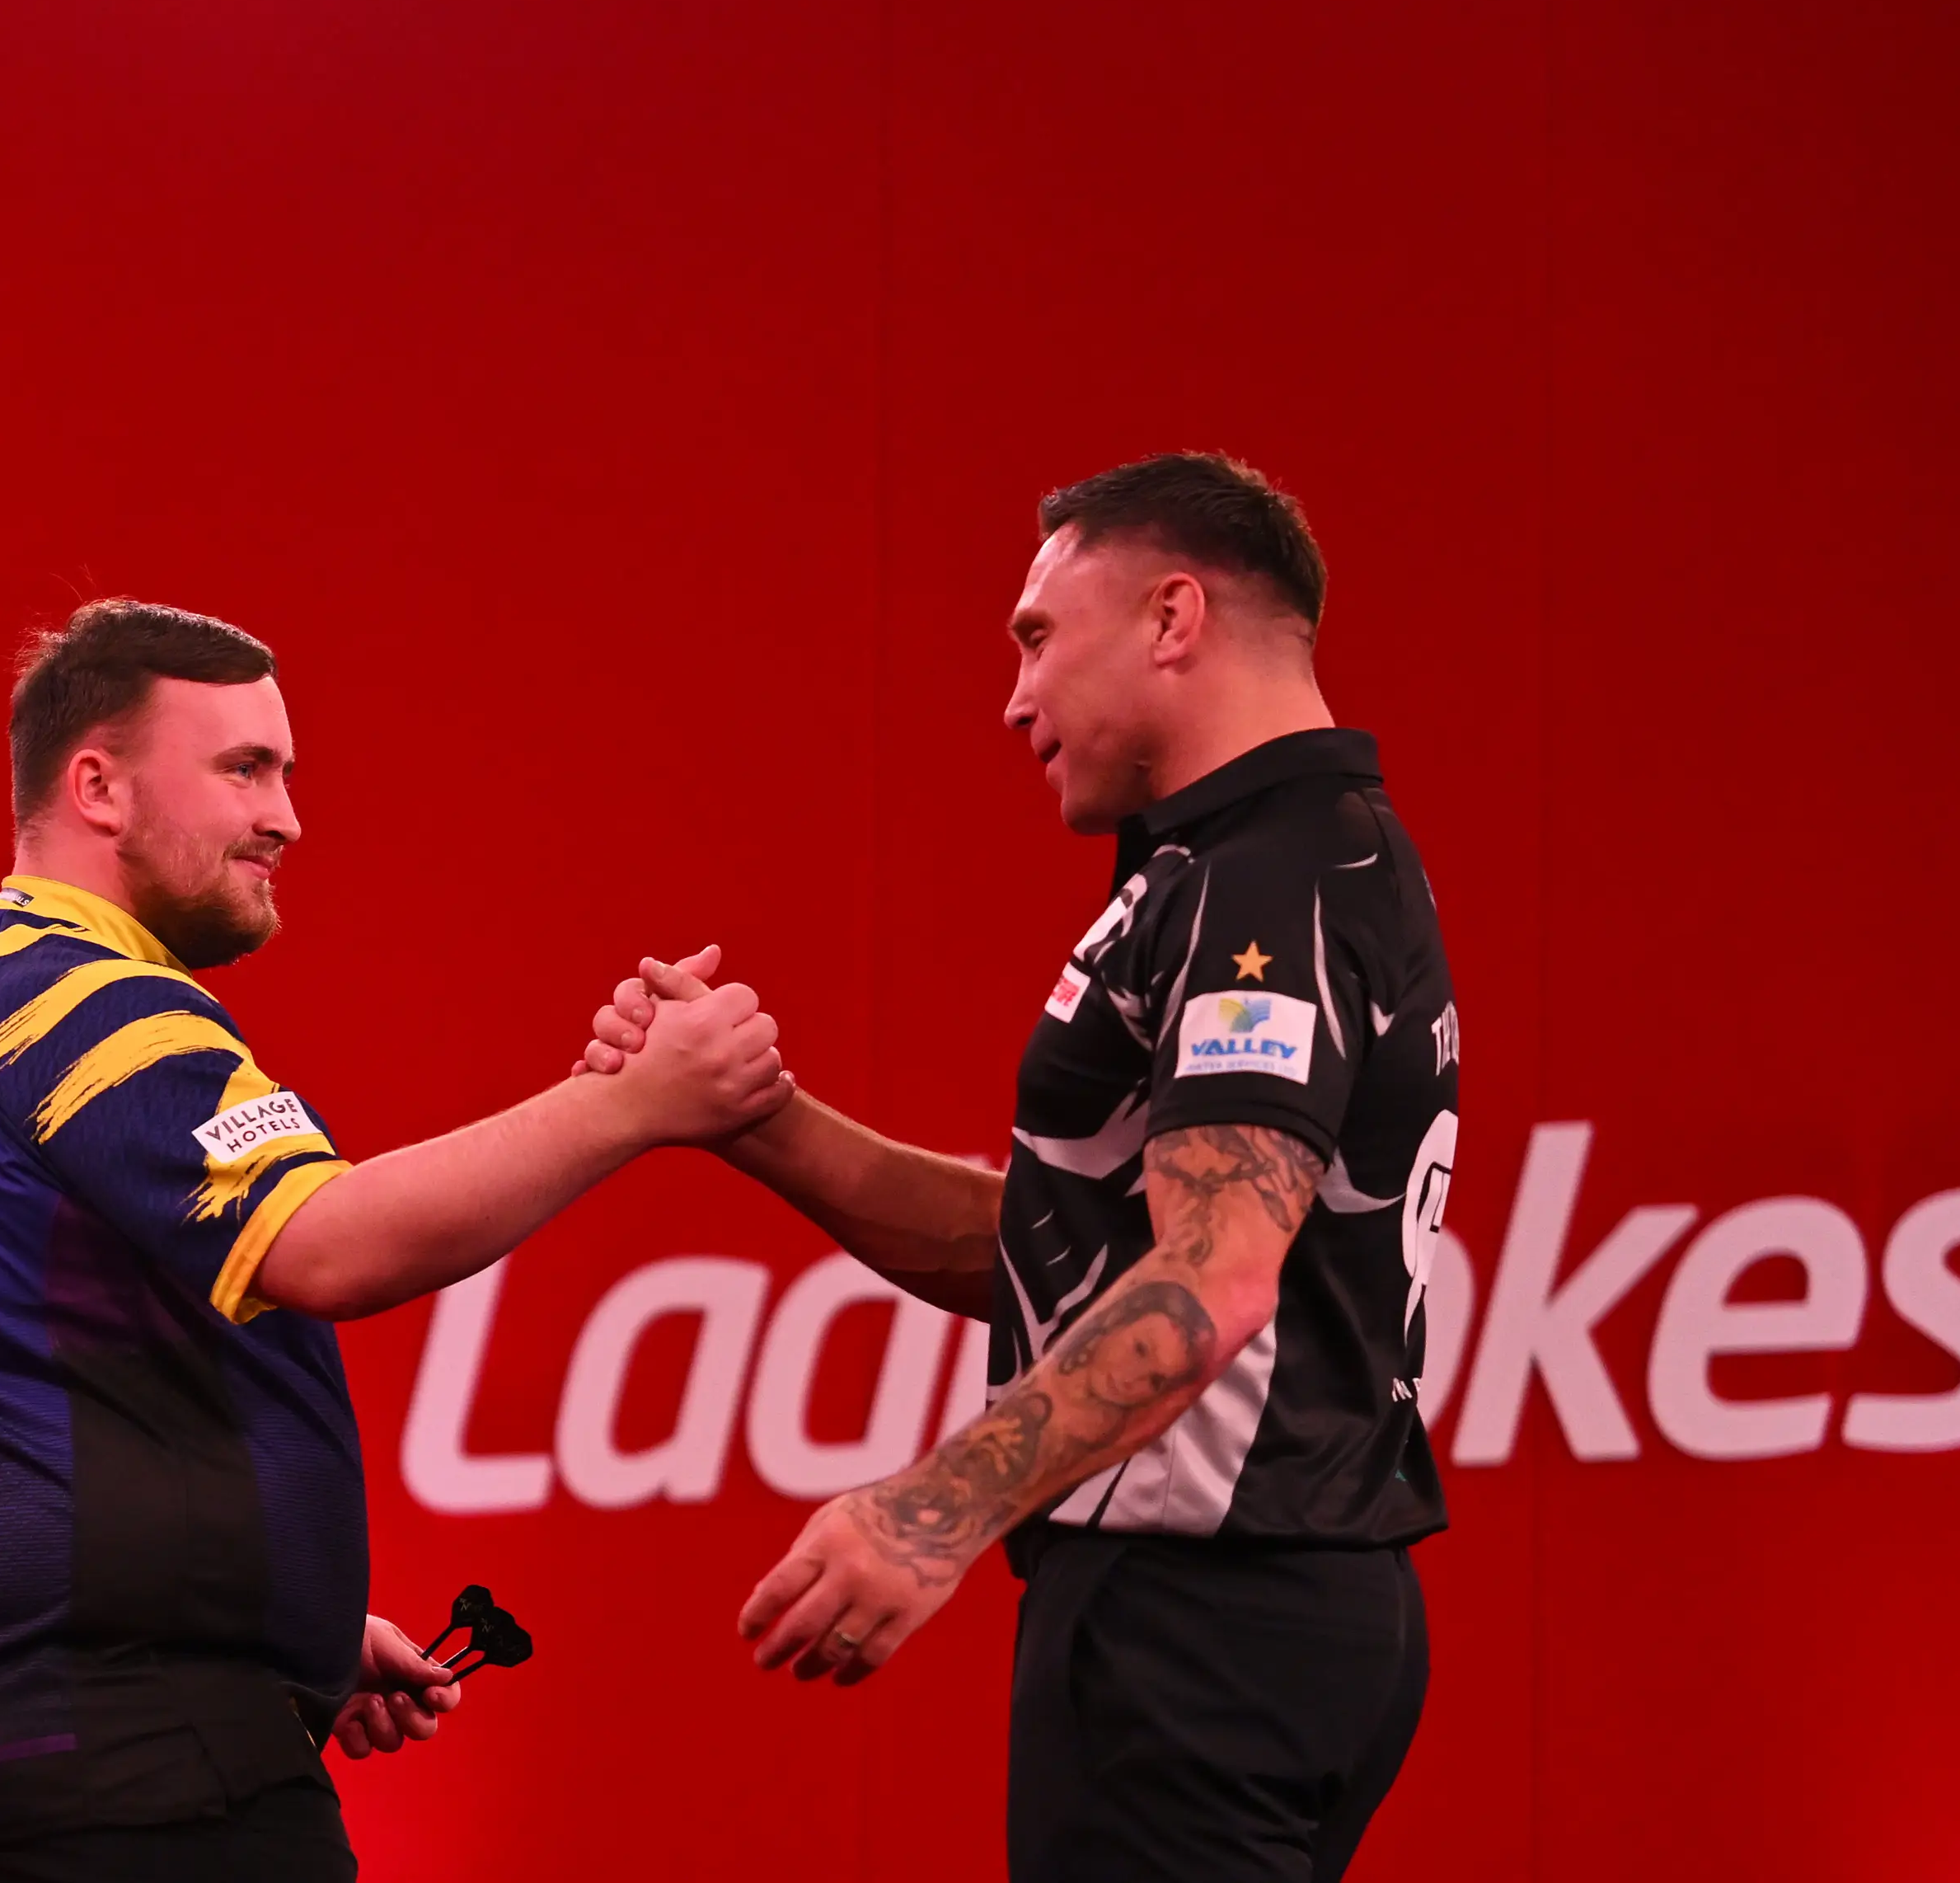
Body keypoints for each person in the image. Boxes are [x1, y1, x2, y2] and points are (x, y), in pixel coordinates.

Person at [0, 599, 790, 1883]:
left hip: (21, 1735)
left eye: (286, 769)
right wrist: (638, 1102)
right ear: (96, 785)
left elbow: (73, 1397)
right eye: (243, 768)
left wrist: (295, 1634)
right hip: (103, 1760)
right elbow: (327, 1244)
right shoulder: (86, 996)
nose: (287, 816)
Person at [585, 453, 1457, 1881]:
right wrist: (758, 1116)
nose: (1013, 695)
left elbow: (1210, 1276)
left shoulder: (1266, 876)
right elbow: (1073, 1252)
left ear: (1174, 616)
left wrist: (931, 1512)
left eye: (1037, 636)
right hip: (1238, 1615)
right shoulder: (1237, 866)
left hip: (1202, 1623)